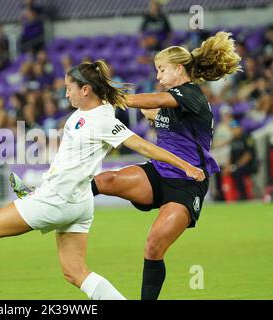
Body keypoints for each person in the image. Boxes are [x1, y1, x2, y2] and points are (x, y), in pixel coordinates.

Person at [0, 60, 204, 299]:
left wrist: (185, 166)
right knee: (75, 272)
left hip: (58, 201)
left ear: (85, 90)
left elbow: (144, 146)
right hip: (78, 203)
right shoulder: (91, 111)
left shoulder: (102, 119)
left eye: (69, 88)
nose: (65, 94)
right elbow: (72, 161)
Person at [89, 32, 242, 300]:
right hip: (159, 173)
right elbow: (155, 111)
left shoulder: (192, 94)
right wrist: (145, 113)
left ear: (178, 69)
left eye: (161, 70)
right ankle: (51, 199)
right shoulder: (175, 103)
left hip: (187, 183)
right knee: (106, 180)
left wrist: (115, 97)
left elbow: (157, 102)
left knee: (153, 246)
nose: (158, 76)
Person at [223, 120, 258, 200]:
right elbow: (231, 157)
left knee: (237, 172)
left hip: (249, 166)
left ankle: (243, 196)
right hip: (236, 166)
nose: (234, 131)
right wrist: (227, 167)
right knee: (220, 172)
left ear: (240, 128)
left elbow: (248, 155)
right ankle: (223, 196)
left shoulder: (247, 137)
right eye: (232, 129)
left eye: (235, 128)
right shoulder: (233, 140)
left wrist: (234, 166)